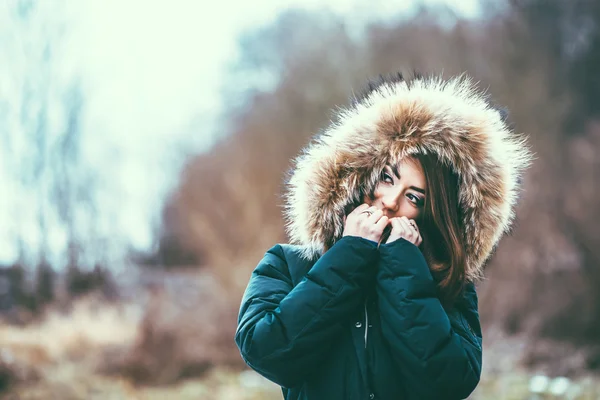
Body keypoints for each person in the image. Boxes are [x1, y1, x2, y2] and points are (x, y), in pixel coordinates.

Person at [234, 73, 532, 400]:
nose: (391, 200)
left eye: (414, 197)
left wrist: (404, 267)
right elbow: (266, 352)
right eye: (388, 178)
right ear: (361, 173)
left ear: (431, 214)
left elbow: (450, 382)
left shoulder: (446, 282)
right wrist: (349, 254)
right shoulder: (287, 263)